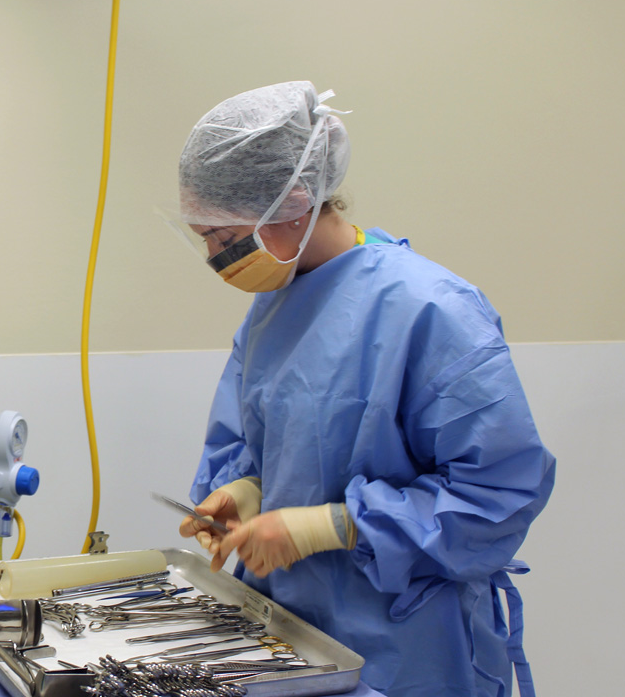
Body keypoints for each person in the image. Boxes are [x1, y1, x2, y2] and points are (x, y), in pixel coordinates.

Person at [169, 82, 555, 697]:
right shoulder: (273, 311)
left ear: (293, 204)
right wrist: (247, 489)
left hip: (408, 647)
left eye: (224, 236)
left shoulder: (431, 309)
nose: (217, 257)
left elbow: (497, 495)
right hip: (291, 634)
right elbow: (299, 444)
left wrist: (331, 527)